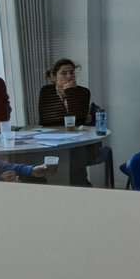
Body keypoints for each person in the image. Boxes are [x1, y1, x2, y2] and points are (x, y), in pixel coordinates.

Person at [37, 58, 96, 186]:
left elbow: (77, 120)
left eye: (72, 73)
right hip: (53, 137)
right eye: (64, 73)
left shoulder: (83, 92)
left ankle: (81, 186)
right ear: (54, 77)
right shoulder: (46, 91)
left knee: (74, 154)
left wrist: (70, 93)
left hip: (77, 139)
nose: (69, 76)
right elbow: (47, 119)